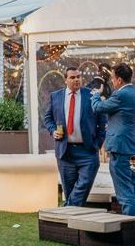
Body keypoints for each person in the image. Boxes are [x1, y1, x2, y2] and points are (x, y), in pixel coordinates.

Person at [43, 67, 105, 206]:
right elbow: (48, 118)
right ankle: (73, 223)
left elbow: (102, 121)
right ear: (66, 80)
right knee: (69, 191)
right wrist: (53, 130)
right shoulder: (56, 96)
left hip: (88, 151)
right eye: (72, 77)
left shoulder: (91, 95)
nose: (76, 79)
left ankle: (67, 208)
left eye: (78, 76)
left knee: (83, 187)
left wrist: (97, 145)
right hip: (66, 152)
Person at [91, 63, 135, 214]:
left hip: (120, 147)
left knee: (124, 193)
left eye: (112, 78)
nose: (111, 81)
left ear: (120, 80)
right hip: (130, 147)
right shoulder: (133, 92)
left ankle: (130, 229)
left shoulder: (120, 94)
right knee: (132, 187)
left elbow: (98, 108)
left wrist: (96, 95)